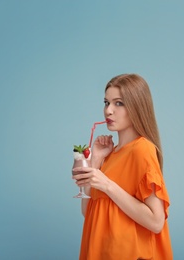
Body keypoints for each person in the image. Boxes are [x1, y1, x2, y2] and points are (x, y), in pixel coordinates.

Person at [72, 74, 173, 259]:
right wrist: (95, 161)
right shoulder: (110, 154)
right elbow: (88, 212)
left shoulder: (142, 149)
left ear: (137, 106)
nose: (108, 111)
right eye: (106, 102)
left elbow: (156, 221)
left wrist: (107, 185)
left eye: (119, 103)